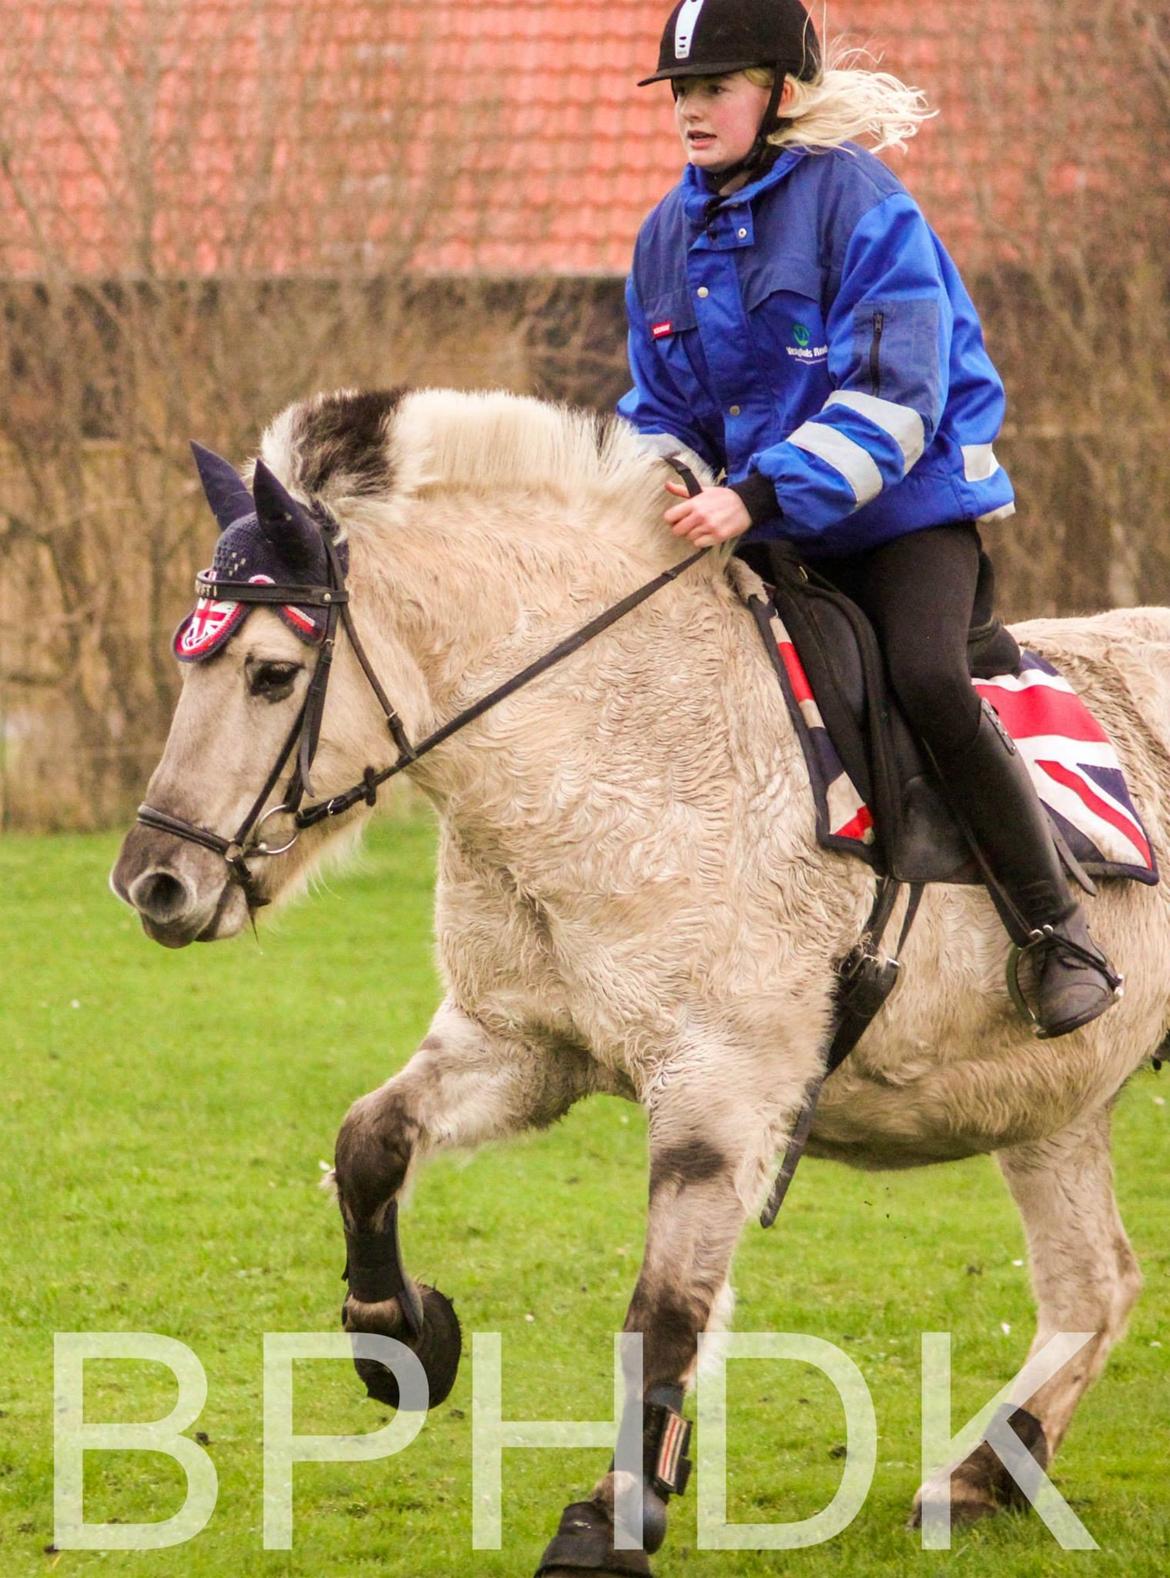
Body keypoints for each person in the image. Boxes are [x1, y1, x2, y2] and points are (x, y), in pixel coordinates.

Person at [619, 0, 1121, 1038]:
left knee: (926, 677)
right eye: (680, 92)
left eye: (715, 88)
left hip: (906, 510)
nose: (691, 111)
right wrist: (655, 481)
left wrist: (754, 496)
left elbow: (898, 396)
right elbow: (660, 411)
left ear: (781, 94)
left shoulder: (861, 201)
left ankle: (1057, 931)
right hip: (765, 523)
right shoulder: (664, 237)